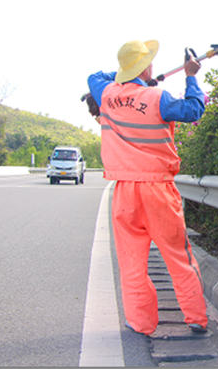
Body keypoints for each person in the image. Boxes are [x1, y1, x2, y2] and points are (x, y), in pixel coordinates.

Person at [87, 39, 208, 336]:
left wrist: (127, 77)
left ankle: (141, 322)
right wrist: (191, 76)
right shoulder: (158, 98)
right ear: (146, 67)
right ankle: (195, 318)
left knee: (131, 261)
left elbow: (95, 77)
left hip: (124, 191)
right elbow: (194, 110)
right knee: (178, 256)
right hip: (158, 189)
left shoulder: (106, 94)